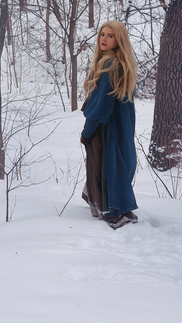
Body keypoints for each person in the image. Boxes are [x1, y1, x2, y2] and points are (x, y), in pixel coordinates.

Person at [80, 21, 138, 229]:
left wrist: (87, 131)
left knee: (108, 167)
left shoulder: (110, 65)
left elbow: (101, 106)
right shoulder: (122, 64)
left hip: (108, 128)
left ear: (119, 40)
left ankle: (112, 209)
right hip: (120, 128)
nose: (104, 39)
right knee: (118, 165)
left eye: (110, 36)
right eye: (102, 34)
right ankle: (118, 207)